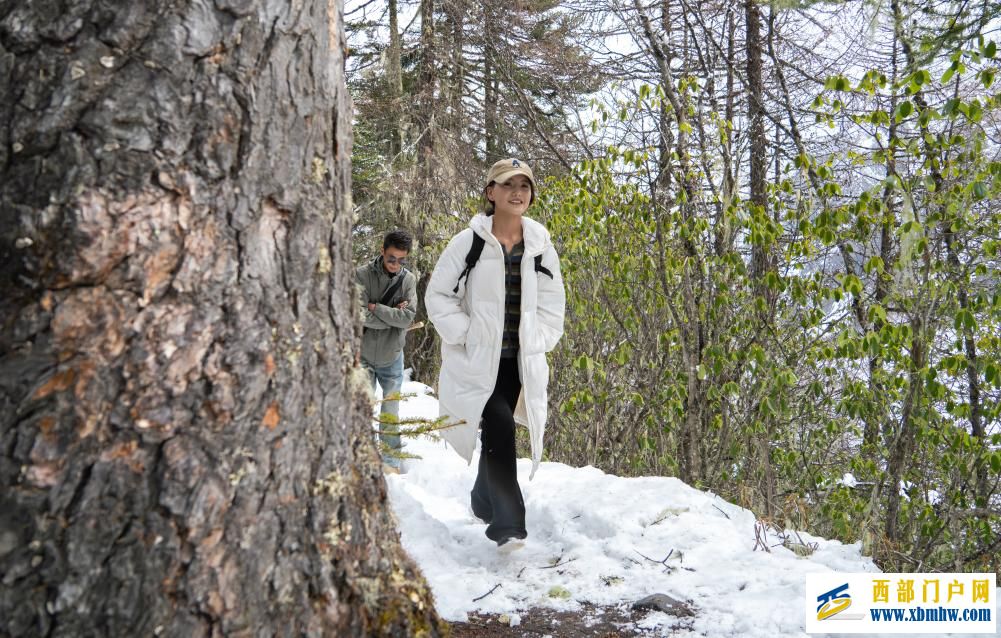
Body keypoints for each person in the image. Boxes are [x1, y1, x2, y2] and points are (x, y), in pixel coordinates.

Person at [425, 158, 566, 547]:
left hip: (519, 363)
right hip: (476, 361)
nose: (517, 192)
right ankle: (508, 525)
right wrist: (466, 334)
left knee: (498, 430)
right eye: (508, 185)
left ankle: (483, 498)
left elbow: (554, 302)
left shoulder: (539, 245)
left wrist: (541, 339)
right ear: (491, 193)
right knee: (500, 426)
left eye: (524, 185)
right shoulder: (468, 242)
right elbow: (437, 296)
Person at [356, 229, 418, 471]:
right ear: (382, 251)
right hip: (363, 353)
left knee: (391, 409)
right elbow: (357, 313)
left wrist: (376, 308)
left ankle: (391, 459)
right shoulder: (361, 275)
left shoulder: (408, 280)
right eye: (391, 258)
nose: (396, 264)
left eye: (402, 260)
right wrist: (392, 314)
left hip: (392, 355)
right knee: (362, 407)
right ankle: (362, 456)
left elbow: (407, 318)